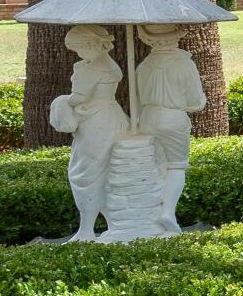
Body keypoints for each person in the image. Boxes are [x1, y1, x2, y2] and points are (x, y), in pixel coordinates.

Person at [49, 28, 126, 240]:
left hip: (96, 122)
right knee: (106, 173)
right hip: (113, 117)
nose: (78, 54)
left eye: (79, 49)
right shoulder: (108, 63)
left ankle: (86, 230)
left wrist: (60, 102)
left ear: (89, 45)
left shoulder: (91, 68)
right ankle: (113, 225)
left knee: (84, 174)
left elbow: (78, 98)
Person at [131, 26, 206, 233]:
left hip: (147, 117)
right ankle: (167, 212)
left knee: (156, 165)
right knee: (176, 166)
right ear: (175, 39)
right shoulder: (184, 64)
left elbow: (135, 101)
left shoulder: (143, 66)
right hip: (172, 117)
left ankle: (153, 211)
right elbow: (195, 102)